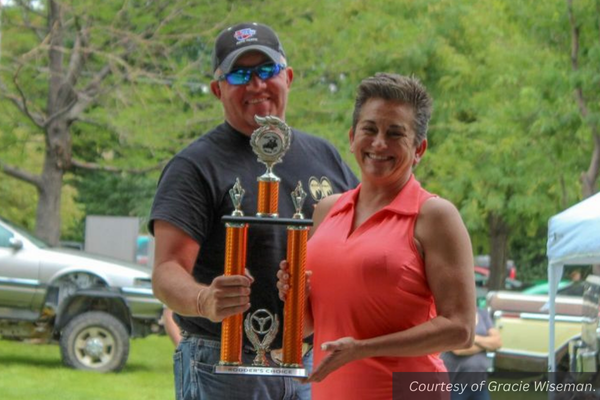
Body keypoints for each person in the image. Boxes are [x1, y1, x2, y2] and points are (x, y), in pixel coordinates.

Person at [149, 22, 359, 400]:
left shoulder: (326, 156)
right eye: (239, 74)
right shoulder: (195, 166)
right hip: (224, 364)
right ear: (217, 89)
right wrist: (204, 300)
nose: (256, 84)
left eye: (266, 70)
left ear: (288, 77)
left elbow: (359, 241)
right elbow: (166, 271)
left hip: (315, 360)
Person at [278, 73, 476, 400]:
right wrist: (293, 295)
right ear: (353, 137)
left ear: (419, 149)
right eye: (370, 129)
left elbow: (460, 329)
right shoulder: (325, 211)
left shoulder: (434, 216)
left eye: (395, 133)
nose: (379, 143)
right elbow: (308, 326)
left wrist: (362, 349)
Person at [441, 308, 502, 400]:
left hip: (480, 383)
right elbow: (458, 350)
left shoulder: (482, 314)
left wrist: (471, 338)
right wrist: (487, 344)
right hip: (456, 383)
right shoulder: (453, 315)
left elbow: (497, 343)